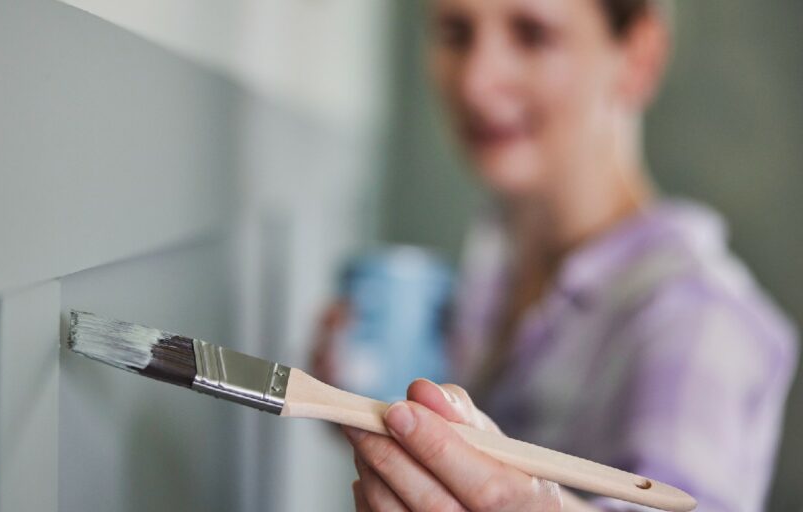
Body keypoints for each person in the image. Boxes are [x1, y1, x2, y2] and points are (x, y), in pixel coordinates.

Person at [311, 0, 799, 510]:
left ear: (639, 56)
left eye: (532, 34)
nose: (476, 81)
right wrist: (376, 415)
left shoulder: (699, 317)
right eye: (456, 32)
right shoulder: (495, 272)